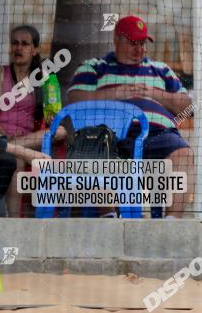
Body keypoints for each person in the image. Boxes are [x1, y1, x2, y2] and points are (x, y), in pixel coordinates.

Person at [68, 15, 193, 217]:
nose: (140, 49)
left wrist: (153, 93)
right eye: (133, 43)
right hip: (111, 135)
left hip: (157, 134)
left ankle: (172, 223)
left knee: (184, 154)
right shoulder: (95, 67)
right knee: (93, 145)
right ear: (116, 40)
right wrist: (116, 93)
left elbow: (186, 106)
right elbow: (75, 100)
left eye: (143, 43)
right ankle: (108, 216)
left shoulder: (161, 70)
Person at [0, 25, 67, 216]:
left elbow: (54, 118)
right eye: (14, 43)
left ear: (35, 49)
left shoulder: (44, 77)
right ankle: (15, 222)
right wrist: (5, 136)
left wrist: (51, 114)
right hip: (0, 136)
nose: (18, 48)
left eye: (24, 44)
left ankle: (13, 146)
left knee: (60, 130)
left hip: (31, 139)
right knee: (16, 158)